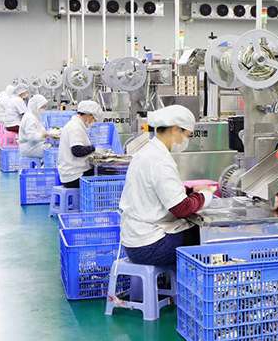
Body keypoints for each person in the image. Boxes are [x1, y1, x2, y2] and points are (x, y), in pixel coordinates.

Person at [119, 105, 213, 268]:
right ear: (175, 129)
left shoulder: (148, 151)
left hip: (135, 239)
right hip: (150, 246)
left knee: (194, 233)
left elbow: (158, 191)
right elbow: (181, 208)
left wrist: (190, 191)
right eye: (187, 135)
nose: (186, 142)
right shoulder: (160, 160)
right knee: (206, 239)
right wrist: (205, 195)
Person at [57, 100, 102, 188]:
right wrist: (93, 149)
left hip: (72, 173)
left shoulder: (76, 125)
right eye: (93, 118)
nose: (93, 121)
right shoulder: (75, 127)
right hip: (74, 177)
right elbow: (77, 151)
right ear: (88, 115)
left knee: (99, 171)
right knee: (105, 174)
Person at [18, 94, 49, 159]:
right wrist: (44, 135)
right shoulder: (30, 118)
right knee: (51, 152)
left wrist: (45, 134)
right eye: (42, 107)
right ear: (35, 106)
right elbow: (31, 137)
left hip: (34, 145)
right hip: (29, 148)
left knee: (51, 147)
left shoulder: (34, 116)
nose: (44, 109)